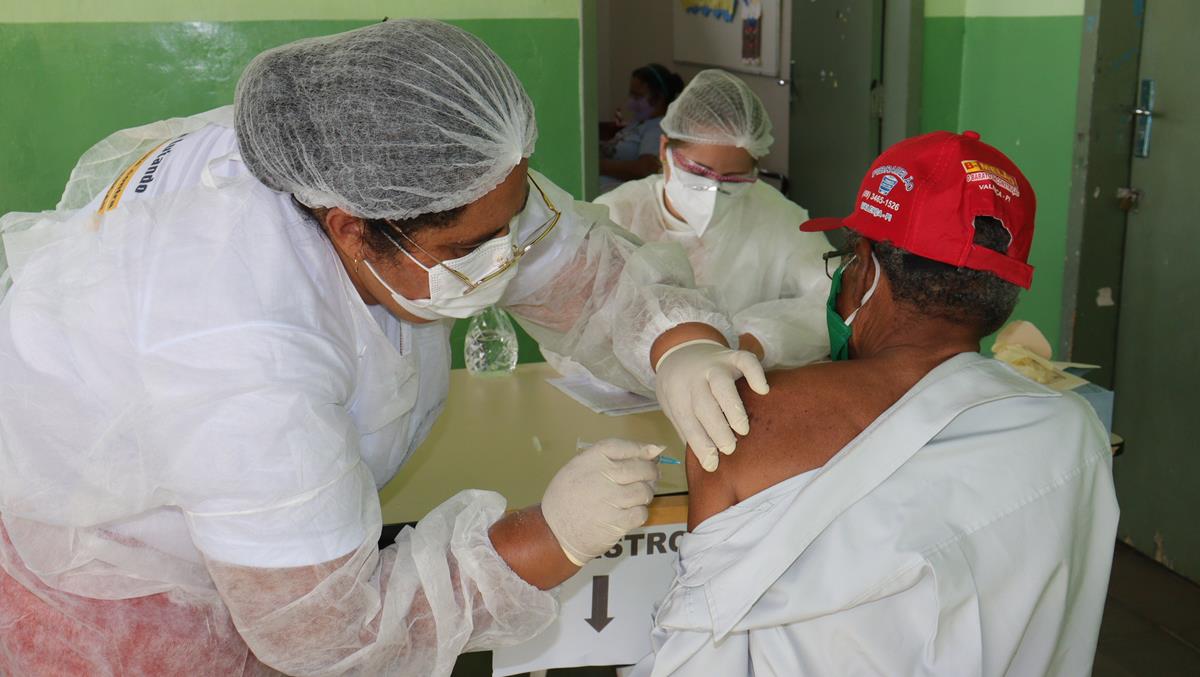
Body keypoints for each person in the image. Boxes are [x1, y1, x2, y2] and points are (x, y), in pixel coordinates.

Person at [0, 21, 769, 676]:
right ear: (347, 225)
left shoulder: (374, 160)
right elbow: (332, 630)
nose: (508, 255)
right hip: (106, 587)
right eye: (473, 245)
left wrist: (679, 344)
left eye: (514, 215)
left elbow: (579, 268)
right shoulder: (240, 354)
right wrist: (548, 536)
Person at [631, 131, 1119, 676]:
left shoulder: (748, 419)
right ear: (1004, 297)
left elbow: (706, 645)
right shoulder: (1069, 429)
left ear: (865, 268)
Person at [597, 69, 830, 372]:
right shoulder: (617, 215)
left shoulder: (776, 217)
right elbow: (581, 329)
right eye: (698, 173)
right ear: (664, 149)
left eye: (733, 179)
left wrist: (755, 342)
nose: (713, 192)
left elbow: (834, 298)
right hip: (625, 396)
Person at [599, 63, 685, 194]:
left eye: (637, 96)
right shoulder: (640, 122)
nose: (630, 103)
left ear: (659, 98)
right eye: (631, 95)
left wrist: (598, 165)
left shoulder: (658, 128)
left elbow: (645, 169)